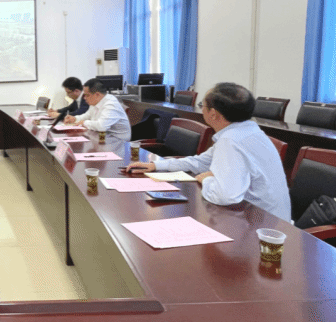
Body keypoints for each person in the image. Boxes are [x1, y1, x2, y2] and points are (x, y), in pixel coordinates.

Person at [125, 82, 291, 220]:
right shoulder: (247, 131)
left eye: (202, 105)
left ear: (213, 114)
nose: (201, 109)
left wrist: (207, 180)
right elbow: (200, 162)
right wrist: (156, 165)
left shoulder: (231, 140)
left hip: (261, 225)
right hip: (259, 217)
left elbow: (225, 196)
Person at [64, 78, 131, 141]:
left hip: (117, 141)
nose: (84, 98)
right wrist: (75, 119)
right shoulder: (95, 102)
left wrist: (84, 123)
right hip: (101, 137)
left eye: (87, 95)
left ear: (97, 95)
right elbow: (88, 115)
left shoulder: (111, 104)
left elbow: (102, 126)